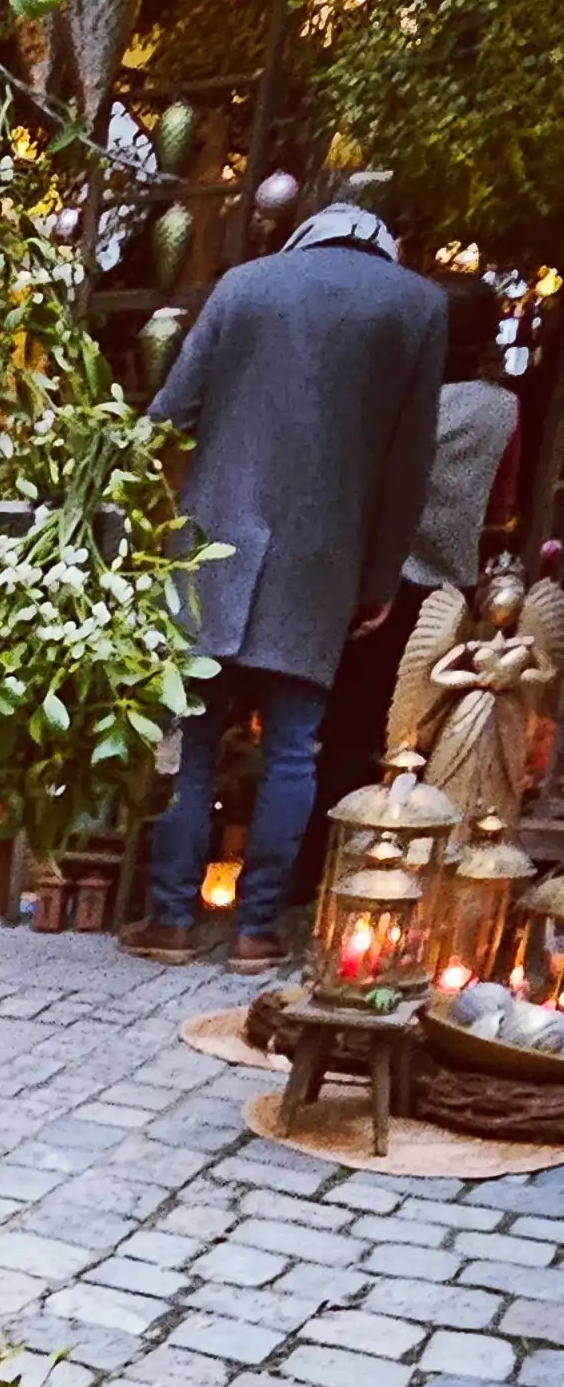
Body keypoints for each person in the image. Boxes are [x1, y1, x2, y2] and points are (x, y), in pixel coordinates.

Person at [122, 203, 447, 972]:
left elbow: (170, 412)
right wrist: (378, 578)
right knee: (293, 750)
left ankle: (169, 919)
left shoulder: (242, 284)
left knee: (190, 741)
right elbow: (408, 460)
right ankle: (255, 930)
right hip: (320, 561)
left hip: (207, 549)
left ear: (305, 234)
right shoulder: (416, 306)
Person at [286, 274, 521, 898]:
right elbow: (501, 511)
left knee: (332, 731)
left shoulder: (385, 396)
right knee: (407, 740)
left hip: (364, 582)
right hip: (443, 599)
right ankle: (379, 872)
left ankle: (309, 871)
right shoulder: (501, 412)